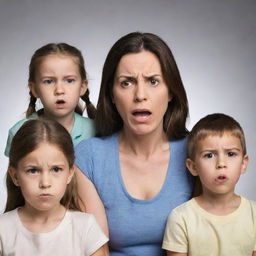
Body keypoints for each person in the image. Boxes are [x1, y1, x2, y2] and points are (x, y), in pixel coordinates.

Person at [75, 32, 194, 255]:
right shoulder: (88, 157)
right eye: (126, 83)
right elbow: (96, 249)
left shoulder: (196, 152)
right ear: (111, 93)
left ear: (171, 91)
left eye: (153, 81)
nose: (140, 95)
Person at [0, 119, 108, 256]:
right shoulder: (3, 230)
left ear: (70, 174)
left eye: (56, 169)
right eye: (33, 170)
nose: (45, 183)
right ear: (15, 176)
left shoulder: (86, 229)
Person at [162, 113, 256, 256]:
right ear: (193, 166)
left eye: (231, 154)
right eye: (209, 155)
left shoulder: (253, 214)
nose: (221, 164)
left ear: (243, 163)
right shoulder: (181, 218)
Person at [5, 43, 96, 156]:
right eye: (48, 81)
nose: (59, 90)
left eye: (69, 80)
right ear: (34, 89)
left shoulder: (96, 131)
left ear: (82, 87)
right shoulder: (19, 132)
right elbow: (13, 173)